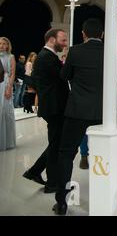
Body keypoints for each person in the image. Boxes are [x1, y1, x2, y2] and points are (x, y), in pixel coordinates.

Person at [53, 19, 104, 215]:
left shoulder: (75, 51)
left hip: (77, 111)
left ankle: (62, 202)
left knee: (66, 153)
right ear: (102, 34)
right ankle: (103, 197)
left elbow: (64, 76)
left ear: (83, 34)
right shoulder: (111, 54)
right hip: (102, 112)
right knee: (103, 155)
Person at [23, 29, 69, 192]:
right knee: (55, 145)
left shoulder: (45, 57)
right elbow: (64, 75)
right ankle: (50, 183)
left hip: (53, 107)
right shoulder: (46, 57)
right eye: (63, 40)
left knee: (55, 144)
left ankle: (35, 172)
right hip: (54, 108)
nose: (65, 44)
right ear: (51, 40)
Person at [0, 37, 16, 151]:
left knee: (5, 111)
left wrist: (9, 88)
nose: (1, 45)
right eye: (0, 43)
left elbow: (12, 74)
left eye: (4, 43)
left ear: (7, 45)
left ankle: (7, 141)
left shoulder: (11, 57)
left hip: (4, 84)